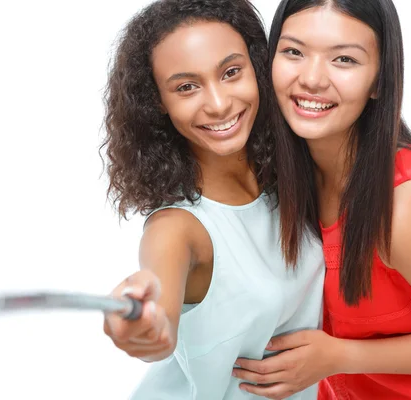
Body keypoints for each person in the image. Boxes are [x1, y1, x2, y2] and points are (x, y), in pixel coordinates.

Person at [232, 1, 411, 399]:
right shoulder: (284, 171)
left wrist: (339, 356)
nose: (312, 79)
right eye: (294, 52)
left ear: (379, 81)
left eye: (345, 59)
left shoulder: (404, 209)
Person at [99, 0, 325, 398]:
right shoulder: (176, 228)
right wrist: (139, 325)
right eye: (186, 87)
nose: (219, 104)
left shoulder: (294, 173)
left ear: (258, 66)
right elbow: (159, 325)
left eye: (231, 72)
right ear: (158, 103)